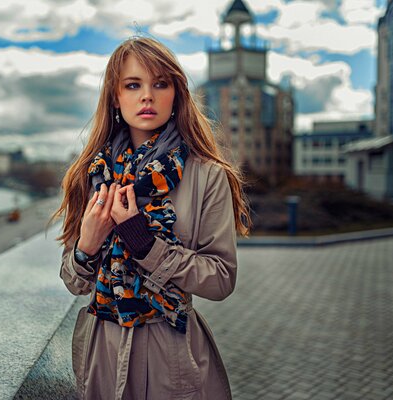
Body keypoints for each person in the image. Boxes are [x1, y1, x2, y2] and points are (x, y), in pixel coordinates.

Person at [51, 36, 252, 400]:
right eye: (133, 85)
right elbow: (74, 282)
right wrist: (87, 245)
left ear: (176, 93)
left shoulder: (207, 175)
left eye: (160, 83)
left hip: (171, 353)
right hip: (102, 352)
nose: (147, 96)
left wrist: (144, 243)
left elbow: (221, 279)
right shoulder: (91, 174)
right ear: (116, 96)